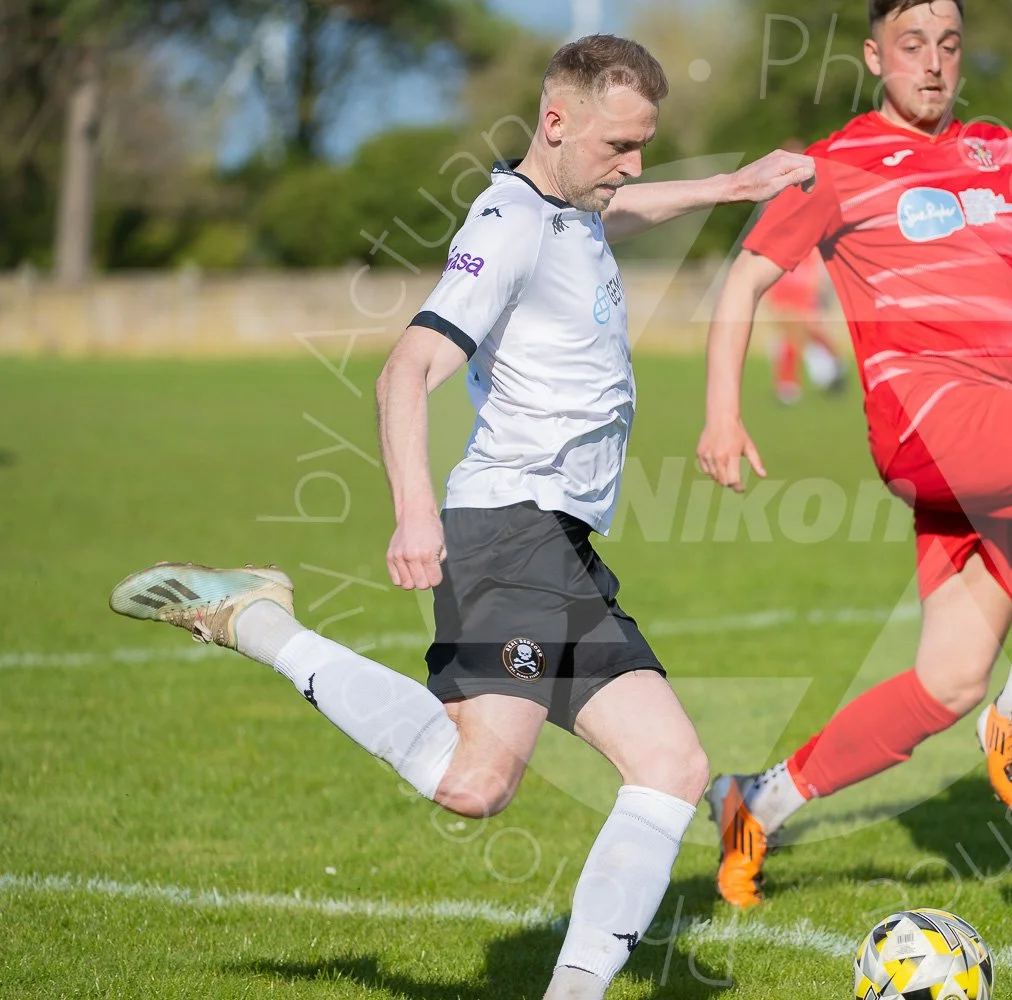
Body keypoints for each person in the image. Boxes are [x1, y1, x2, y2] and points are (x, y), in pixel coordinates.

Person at [108, 35, 813, 999]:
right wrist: (411, 514)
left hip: (555, 542)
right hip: (509, 534)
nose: (634, 167)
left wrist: (729, 185)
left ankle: (575, 991)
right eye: (620, 145)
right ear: (555, 122)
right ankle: (262, 624)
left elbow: (623, 209)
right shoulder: (510, 223)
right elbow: (407, 369)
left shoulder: (576, 204)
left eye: (646, 145)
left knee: (647, 767)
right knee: (514, 780)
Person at [695, 0, 1012, 908]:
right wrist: (720, 414)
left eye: (948, 46)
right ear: (873, 57)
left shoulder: (1004, 154)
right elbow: (744, 277)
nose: (933, 65)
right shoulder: (838, 162)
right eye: (911, 47)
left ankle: (756, 803)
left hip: (989, 436)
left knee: (946, 681)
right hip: (925, 414)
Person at [764, 141, 848, 404]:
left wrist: (823, 275)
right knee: (789, 330)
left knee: (803, 328)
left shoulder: (815, 194)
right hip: (782, 273)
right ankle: (794, 382)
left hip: (804, 274)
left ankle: (823, 368)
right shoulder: (773, 198)